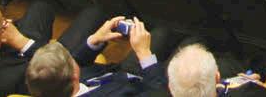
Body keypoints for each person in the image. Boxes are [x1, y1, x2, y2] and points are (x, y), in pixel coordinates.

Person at [23, 16, 165, 96]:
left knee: (162, 32)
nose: (72, 56)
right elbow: (158, 92)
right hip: (150, 87)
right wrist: (144, 53)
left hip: (120, 74)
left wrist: (95, 40)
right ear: (74, 75)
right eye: (69, 58)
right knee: (166, 35)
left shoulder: (55, 86)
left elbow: (77, 62)